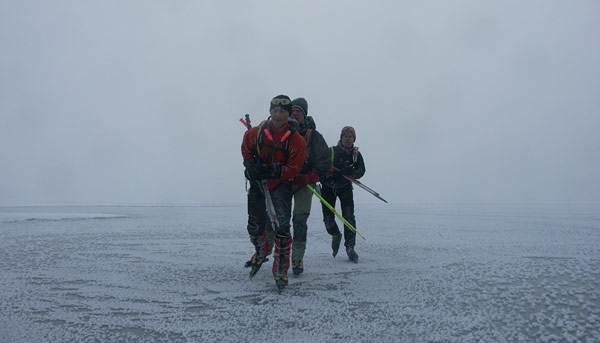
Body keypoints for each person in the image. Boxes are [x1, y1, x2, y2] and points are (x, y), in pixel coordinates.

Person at [241, 94, 307, 289]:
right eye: (275, 111)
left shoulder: (297, 141)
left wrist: (274, 170)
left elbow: (294, 168)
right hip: (258, 184)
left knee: (282, 229)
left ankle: (280, 269)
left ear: (288, 115)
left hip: (280, 186)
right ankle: (261, 251)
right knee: (254, 226)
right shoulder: (256, 133)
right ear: (270, 112)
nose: (278, 115)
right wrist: (250, 164)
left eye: (283, 112)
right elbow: (246, 148)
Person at [286, 97, 330, 275]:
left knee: (299, 220)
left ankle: (297, 258)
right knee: (277, 220)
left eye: (299, 111)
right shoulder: (280, 133)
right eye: (292, 111)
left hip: (305, 184)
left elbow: (326, 160)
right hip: (283, 182)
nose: (295, 114)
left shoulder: (315, 137)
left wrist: (311, 176)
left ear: (305, 115)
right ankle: (271, 253)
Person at [320, 126, 365, 263]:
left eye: (350, 137)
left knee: (349, 217)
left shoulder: (356, 155)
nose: (348, 138)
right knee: (328, 219)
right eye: (345, 136)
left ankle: (350, 248)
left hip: (345, 188)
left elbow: (361, 170)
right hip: (328, 187)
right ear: (341, 137)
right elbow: (321, 166)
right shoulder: (331, 151)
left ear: (354, 139)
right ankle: (335, 234)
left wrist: (351, 172)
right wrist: (328, 174)